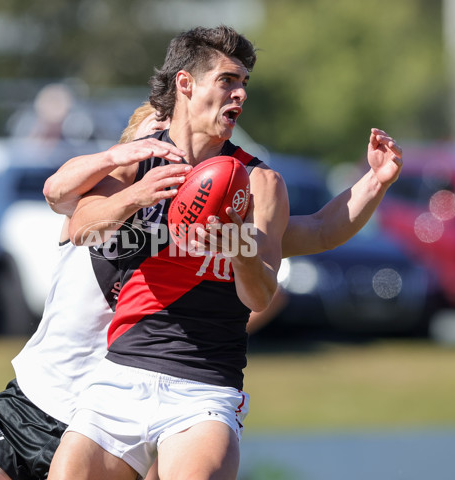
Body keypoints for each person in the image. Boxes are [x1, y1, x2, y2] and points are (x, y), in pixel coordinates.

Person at [0, 100, 402, 480]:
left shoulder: (192, 229)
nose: (173, 151)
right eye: (158, 135)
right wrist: (120, 161)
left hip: (110, 421)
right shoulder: (100, 202)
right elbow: (57, 191)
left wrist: (373, 183)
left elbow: (318, 229)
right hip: (32, 403)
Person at [48, 25, 402, 480]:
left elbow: (267, 288)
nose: (240, 95)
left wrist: (238, 246)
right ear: (186, 84)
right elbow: (80, 227)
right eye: (227, 80)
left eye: (244, 84)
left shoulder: (260, 183)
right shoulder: (139, 159)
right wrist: (137, 197)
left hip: (203, 387)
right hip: (120, 372)